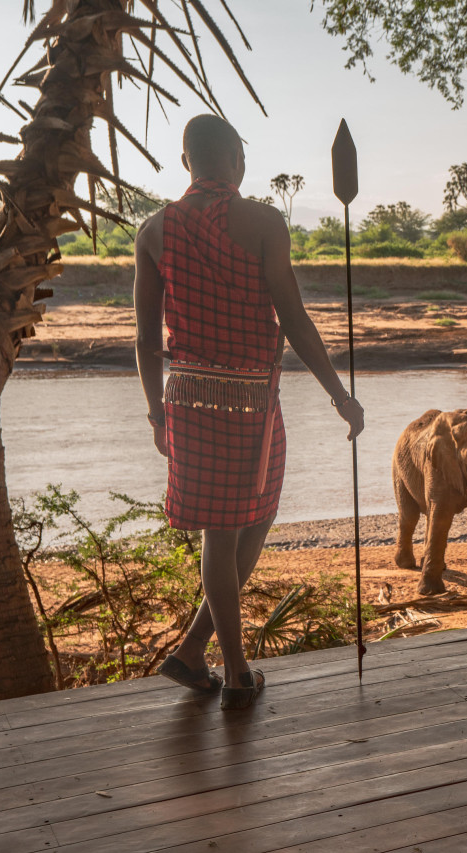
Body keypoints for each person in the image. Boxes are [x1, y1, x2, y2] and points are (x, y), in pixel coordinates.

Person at [135, 115, 365, 710]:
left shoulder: (153, 231)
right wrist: (339, 396)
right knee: (232, 527)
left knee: (239, 522)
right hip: (249, 402)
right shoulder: (264, 221)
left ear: (187, 162)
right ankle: (236, 671)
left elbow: (144, 340)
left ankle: (192, 653)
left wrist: (156, 413)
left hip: (186, 398)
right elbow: (293, 319)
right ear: (236, 161)